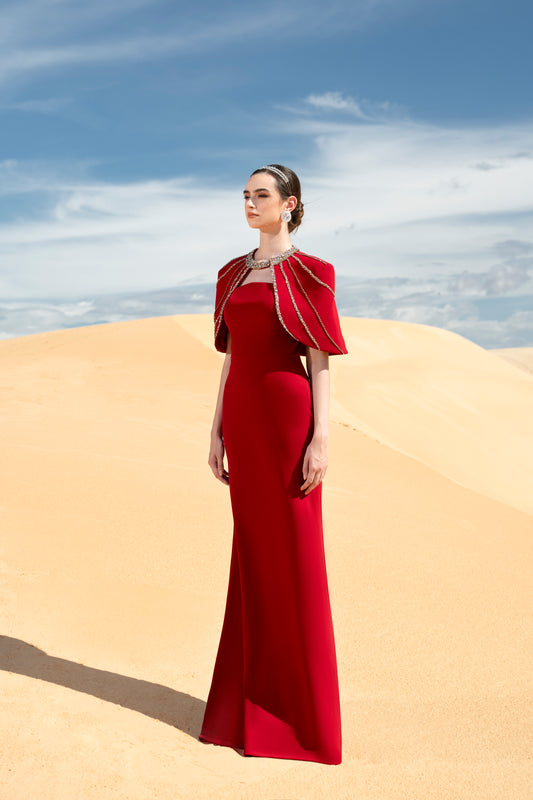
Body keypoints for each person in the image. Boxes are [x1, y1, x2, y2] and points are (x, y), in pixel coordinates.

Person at [199, 164, 348, 764]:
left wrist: (322, 437)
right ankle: (242, 708)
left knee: (297, 559)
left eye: (261, 195)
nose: (249, 203)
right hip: (243, 420)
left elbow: (320, 362)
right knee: (253, 556)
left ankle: (305, 723)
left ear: (289, 205)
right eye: (244, 195)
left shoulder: (314, 273)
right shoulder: (231, 275)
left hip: (289, 427)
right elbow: (232, 358)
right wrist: (214, 428)